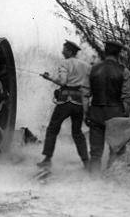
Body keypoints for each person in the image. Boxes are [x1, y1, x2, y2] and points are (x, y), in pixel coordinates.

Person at [37, 40, 91, 169]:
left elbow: (62, 81)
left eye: (64, 49)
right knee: (77, 132)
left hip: (65, 101)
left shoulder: (64, 63)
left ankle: (47, 159)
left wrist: (49, 77)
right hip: (79, 103)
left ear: (70, 51)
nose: (62, 52)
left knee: (52, 129)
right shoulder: (86, 66)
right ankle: (86, 162)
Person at [84, 40, 130, 174]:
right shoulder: (124, 71)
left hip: (96, 112)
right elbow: (127, 98)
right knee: (115, 150)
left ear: (105, 52)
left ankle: (93, 181)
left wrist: (86, 113)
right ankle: (110, 180)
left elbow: (85, 95)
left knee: (95, 152)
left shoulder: (92, 69)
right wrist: (125, 118)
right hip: (116, 114)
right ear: (118, 54)